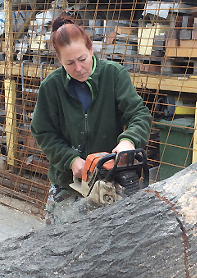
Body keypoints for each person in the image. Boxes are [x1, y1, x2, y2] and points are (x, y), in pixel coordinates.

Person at [31, 13, 152, 224]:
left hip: (109, 179)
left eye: (82, 59)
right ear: (59, 60)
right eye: (69, 63)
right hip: (67, 182)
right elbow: (43, 132)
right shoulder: (51, 87)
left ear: (91, 49)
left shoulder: (114, 75)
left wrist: (128, 141)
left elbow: (139, 114)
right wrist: (70, 160)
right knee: (58, 244)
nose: (78, 69)